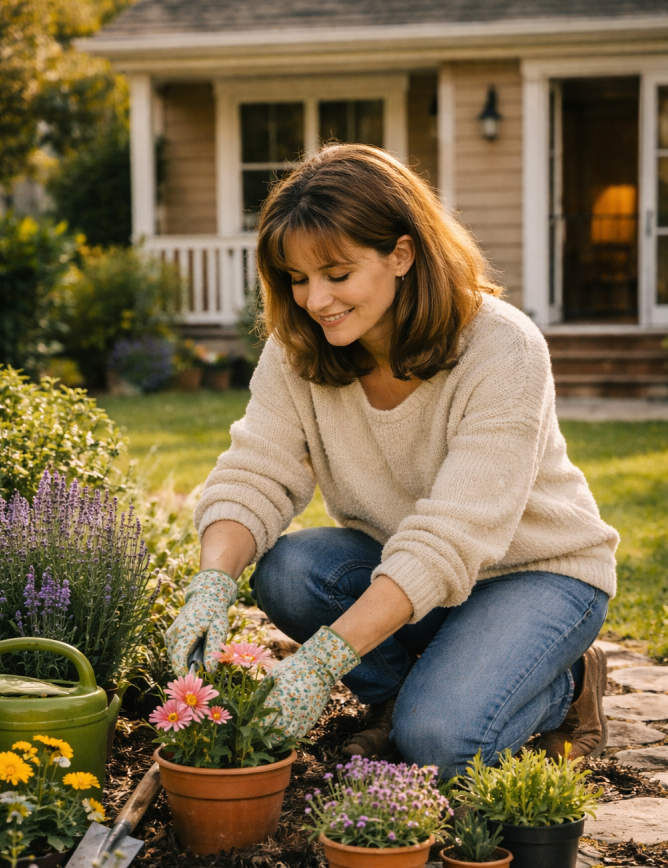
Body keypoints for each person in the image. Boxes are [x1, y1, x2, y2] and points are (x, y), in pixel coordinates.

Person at [165, 144, 618, 778]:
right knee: (289, 570)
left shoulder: (501, 348)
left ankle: (565, 686)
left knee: (438, 743)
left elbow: (452, 536)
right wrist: (211, 583)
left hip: (534, 574)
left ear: (400, 254)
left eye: (337, 274)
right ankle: (415, 693)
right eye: (296, 279)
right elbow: (255, 473)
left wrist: (323, 661)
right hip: (408, 572)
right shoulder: (299, 350)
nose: (315, 300)